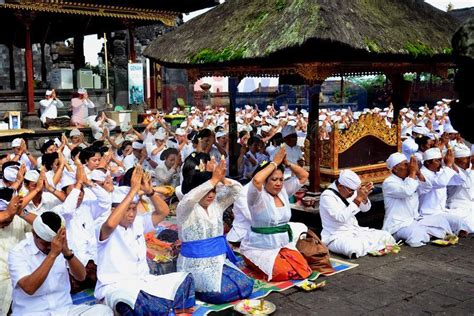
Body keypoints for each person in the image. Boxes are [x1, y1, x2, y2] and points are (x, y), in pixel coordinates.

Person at [95, 166, 195, 314]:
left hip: (143, 282)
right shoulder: (103, 224)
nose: (131, 214)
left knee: (184, 279)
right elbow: (110, 224)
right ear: (113, 209)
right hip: (116, 288)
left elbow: (164, 212)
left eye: (134, 209)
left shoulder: (137, 222)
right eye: (127, 209)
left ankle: (170, 310)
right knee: (132, 301)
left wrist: (150, 191)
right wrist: (133, 191)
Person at [177, 153, 253, 304]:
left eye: (213, 190)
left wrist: (221, 178)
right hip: (195, 264)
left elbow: (237, 190)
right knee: (222, 294)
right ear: (197, 190)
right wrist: (212, 180)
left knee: (246, 285)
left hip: (218, 260)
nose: (211, 194)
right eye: (206, 191)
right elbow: (190, 197)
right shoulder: (186, 208)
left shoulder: (217, 204)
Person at [8, 211, 113, 315]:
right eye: (46, 243)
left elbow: (81, 276)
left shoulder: (61, 244)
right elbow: (29, 288)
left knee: (103, 312)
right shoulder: (18, 252)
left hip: (64, 310)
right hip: (32, 312)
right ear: (34, 233)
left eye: (52, 243)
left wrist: (68, 253)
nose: (51, 247)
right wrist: (52, 255)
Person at [240, 147, 312, 281]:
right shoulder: (256, 196)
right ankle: (253, 261)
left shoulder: (283, 190)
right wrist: (274, 162)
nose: (278, 183)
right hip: (259, 248)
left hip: (282, 246)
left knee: (304, 269)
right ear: (265, 180)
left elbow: (304, 176)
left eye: (281, 179)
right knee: (284, 273)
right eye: (274, 180)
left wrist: (287, 163)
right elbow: (256, 180)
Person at [320, 169, 396, 258]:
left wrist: (364, 197)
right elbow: (341, 218)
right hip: (336, 236)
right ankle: (373, 246)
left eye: (354, 191)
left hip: (355, 231)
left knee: (385, 235)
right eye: (351, 191)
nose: (353, 193)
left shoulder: (350, 190)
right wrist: (358, 199)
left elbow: (365, 209)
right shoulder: (327, 196)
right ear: (340, 186)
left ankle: (370, 246)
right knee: (353, 248)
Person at [382, 153, 453, 247]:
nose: (409, 167)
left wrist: (418, 173)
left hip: (413, 220)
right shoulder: (389, 182)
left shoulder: (410, 179)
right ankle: (418, 235)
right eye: (405, 164)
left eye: (409, 164)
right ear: (395, 169)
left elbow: (427, 187)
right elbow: (407, 191)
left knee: (441, 223)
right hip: (398, 224)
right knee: (417, 235)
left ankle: (427, 234)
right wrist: (412, 173)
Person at [418, 147, 471, 235]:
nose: (441, 163)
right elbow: (440, 182)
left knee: (461, 222)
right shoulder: (422, 174)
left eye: (441, 160)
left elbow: (460, 180)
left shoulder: (439, 172)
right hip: (427, 215)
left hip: (441, 212)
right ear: (428, 162)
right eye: (438, 161)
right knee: (442, 230)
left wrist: (452, 163)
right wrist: (448, 165)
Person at [0, 192, 33, 315]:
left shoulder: (18, 220)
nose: (8, 219)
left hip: (21, 285)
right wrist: (8, 213)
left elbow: (44, 226)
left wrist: (21, 213)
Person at [446, 145, 474, 231]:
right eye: (466, 158)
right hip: (456, 206)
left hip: (469, 205)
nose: (468, 161)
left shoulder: (466, 169)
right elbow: (461, 179)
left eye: (469, 158)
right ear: (456, 160)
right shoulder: (450, 171)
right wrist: (452, 163)